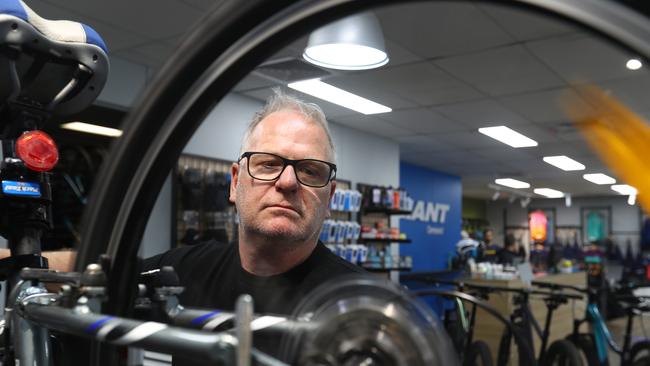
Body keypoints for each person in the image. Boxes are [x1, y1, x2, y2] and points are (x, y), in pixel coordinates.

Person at [0, 90, 365, 316]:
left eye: (310, 171)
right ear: (235, 182)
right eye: (269, 164)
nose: (287, 182)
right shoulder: (183, 272)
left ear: (330, 198)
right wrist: (14, 259)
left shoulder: (367, 306)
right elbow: (95, 271)